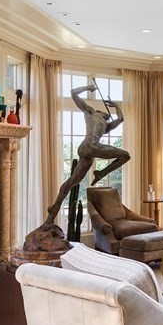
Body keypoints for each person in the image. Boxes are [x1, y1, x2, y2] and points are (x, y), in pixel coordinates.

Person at [42, 78, 130, 226]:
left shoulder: (107, 126)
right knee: (125, 155)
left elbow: (121, 118)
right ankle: (101, 173)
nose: (105, 113)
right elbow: (73, 93)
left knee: (73, 181)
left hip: (89, 151)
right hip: (90, 145)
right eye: (103, 111)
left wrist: (116, 105)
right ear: (99, 111)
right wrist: (88, 87)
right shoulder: (91, 112)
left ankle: (52, 211)